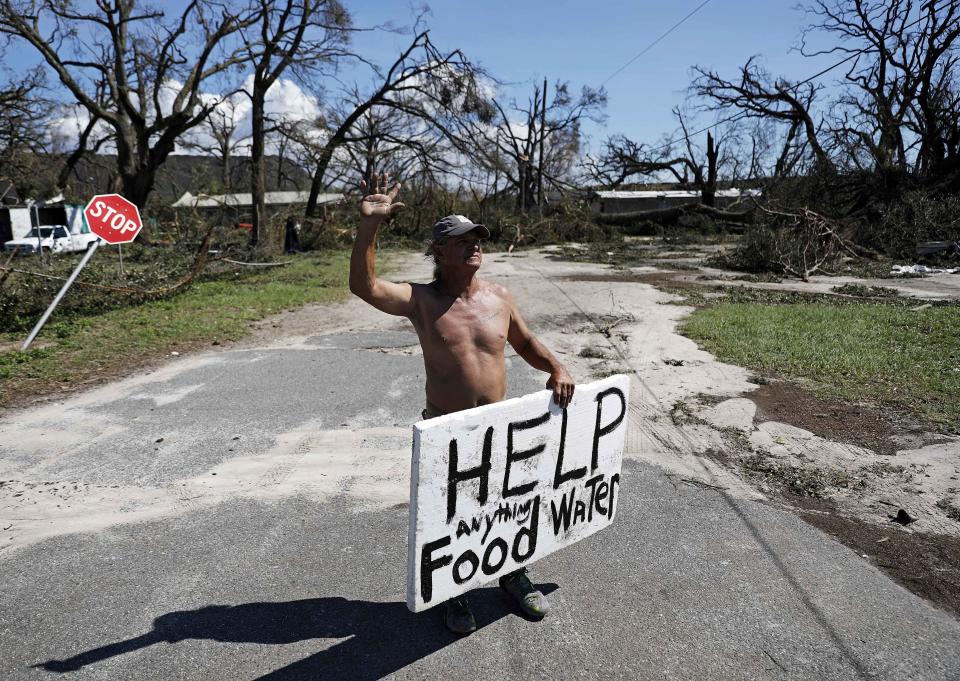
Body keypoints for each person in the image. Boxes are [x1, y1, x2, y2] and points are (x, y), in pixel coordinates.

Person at [349, 174, 576, 635]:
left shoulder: (499, 296)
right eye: (462, 240)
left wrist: (557, 367)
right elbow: (364, 286)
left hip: (500, 428)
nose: (474, 245)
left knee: (508, 505)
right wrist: (370, 226)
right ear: (439, 252)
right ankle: (454, 593)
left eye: (477, 238)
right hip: (447, 430)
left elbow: (526, 342)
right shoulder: (422, 300)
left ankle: (513, 576)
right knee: (451, 514)